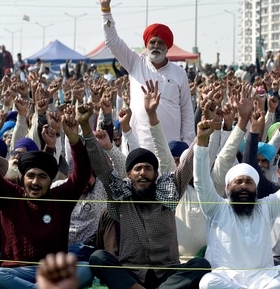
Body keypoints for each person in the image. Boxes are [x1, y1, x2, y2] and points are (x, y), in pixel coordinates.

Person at [88, 80, 210, 288]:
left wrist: (201, 137)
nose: (143, 173)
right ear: (129, 174)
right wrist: (85, 128)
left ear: (155, 174)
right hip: (132, 273)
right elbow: (101, 167)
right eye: (137, 169)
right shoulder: (121, 195)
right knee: (98, 257)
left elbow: (188, 163)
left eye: (148, 168)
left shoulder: (168, 193)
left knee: (201, 265)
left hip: (167, 272)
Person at [0, 107, 94, 289]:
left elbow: (82, 174)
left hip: (54, 270)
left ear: (50, 180)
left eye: (42, 177)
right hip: (19, 270)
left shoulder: (60, 199)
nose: (35, 181)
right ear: (23, 178)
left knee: (86, 269)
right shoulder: (11, 197)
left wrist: (74, 138)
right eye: (30, 175)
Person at [194, 115, 280, 289]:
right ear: (228, 188)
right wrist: (202, 143)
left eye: (248, 183)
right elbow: (202, 182)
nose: (243, 186)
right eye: (238, 182)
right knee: (207, 283)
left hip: (262, 277)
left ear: (255, 189)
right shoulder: (216, 208)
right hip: (226, 278)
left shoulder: (266, 208)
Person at [98, 0, 194, 151]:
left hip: (171, 148)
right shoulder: (136, 63)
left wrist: (186, 144)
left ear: (168, 46)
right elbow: (113, 42)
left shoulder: (179, 73)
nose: (156, 46)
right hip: (138, 145)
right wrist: (106, 11)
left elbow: (186, 111)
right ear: (147, 45)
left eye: (161, 42)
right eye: (153, 42)